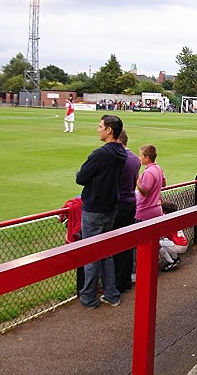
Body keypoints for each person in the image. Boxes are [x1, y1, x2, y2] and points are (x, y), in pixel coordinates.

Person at [76, 114, 127, 309]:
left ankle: (88, 297)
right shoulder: (121, 153)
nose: (98, 130)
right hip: (111, 206)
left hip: (95, 207)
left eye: (100, 127)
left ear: (109, 130)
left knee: (91, 253)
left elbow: (81, 177)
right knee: (107, 252)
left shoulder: (101, 154)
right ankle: (111, 294)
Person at [112, 130, 141, 293]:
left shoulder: (120, 159)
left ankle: (117, 282)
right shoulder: (135, 159)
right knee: (127, 244)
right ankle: (125, 279)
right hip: (131, 203)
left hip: (120, 205)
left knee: (116, 245)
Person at [135, 145, 166, 222]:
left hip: (145, 210)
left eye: (141, 155)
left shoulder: (148, 172)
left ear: (147, 158)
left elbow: (145, 191)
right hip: (156, 208)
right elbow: (163, 183)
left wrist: (137, 179)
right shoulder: (158, 168)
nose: (139, 158)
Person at [158, 201, 189, 272]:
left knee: (159, 244)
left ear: (165, 211)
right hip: (183, 243)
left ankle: (170, 262)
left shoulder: (166, 220)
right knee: (165, 241)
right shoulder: (175, 217)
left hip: (179, 245)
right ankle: (175, 258)